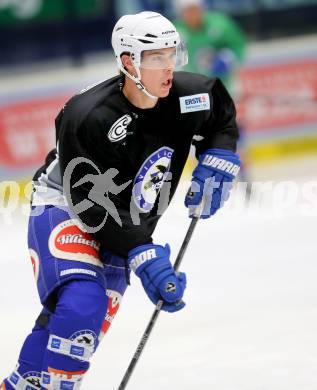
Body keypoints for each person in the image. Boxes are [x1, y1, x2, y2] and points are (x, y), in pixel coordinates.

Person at [1, 11, 240, 389]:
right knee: (82, 304)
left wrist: (218, 156)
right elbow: (89, 202)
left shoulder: (190, 95)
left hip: (128, 218)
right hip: (69, 206)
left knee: (82, 327)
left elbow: (220, 114)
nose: (169, 68)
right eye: (156, 58)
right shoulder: (88, 116)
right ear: (129, 62)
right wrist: (143, 253)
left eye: (172, 55)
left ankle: (23, 384)